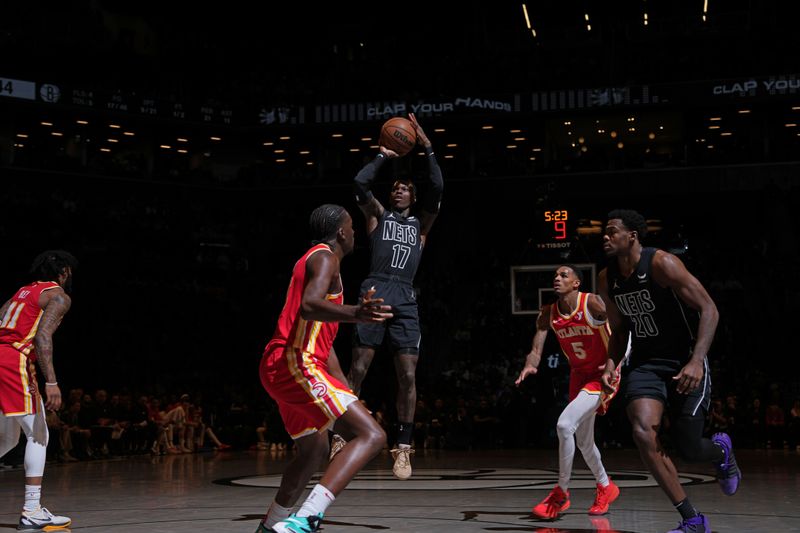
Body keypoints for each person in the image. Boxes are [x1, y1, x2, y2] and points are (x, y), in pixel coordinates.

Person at [598, 209, 740, 533]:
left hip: (683, 360)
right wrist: (610, 364)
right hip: (646, 364)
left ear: (631, 235)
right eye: (604, 233)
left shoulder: (662, 264)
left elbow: (709, 309)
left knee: (690, 448)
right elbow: (619, 333)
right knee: (642, 431)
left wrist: (695, 360)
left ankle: (721, 451)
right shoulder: (607, 278)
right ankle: (692, 519)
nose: (605, 237)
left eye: (611, 231)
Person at [256, 204, 392, 533]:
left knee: (313, 449)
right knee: (372, 435)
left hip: (282, 364)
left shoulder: (319, 260)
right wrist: (356, 313)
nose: (355, 232)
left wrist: (347, 392)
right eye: (352, 227)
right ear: (342, 233)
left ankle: (270, 526)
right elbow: (308, 306)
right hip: (295, 362)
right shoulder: (325, 257)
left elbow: (324, 343)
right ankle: (308, 517)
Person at [344, 113, 443, 480]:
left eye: (405, 188)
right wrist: (383, 155)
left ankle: (403, 447)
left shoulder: (421, 227)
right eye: (395, 187)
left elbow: (438, 187)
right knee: (358, 368)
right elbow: (359, 183)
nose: (398, 190)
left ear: (413, 196)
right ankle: (341, 432)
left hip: (404, 295)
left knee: (407, 375)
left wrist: (428, 146)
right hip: (375, 288)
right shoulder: (377, 217)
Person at [515, 265, 620, 519]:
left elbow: (622, 332)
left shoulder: (592, 303)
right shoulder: (548, 313)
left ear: (576, 283)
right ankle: (606, 486)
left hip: (602, 373)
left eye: (564, 275)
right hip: (579, 376)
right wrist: (530, 365)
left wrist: (614, 366)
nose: (557, 278)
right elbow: (537, 349)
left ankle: (561, 493)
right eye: (556, 275)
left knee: (564, 426)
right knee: (583, 441)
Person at [0, 250, 77, 530]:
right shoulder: (58, 296)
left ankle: (33, 509)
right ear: (65, 271)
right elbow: (43, 336)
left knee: (7, 439)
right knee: (38, 434)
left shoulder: (22, 292)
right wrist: (52, 381)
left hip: (1, 357)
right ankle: (31, 509)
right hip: (13, 362)